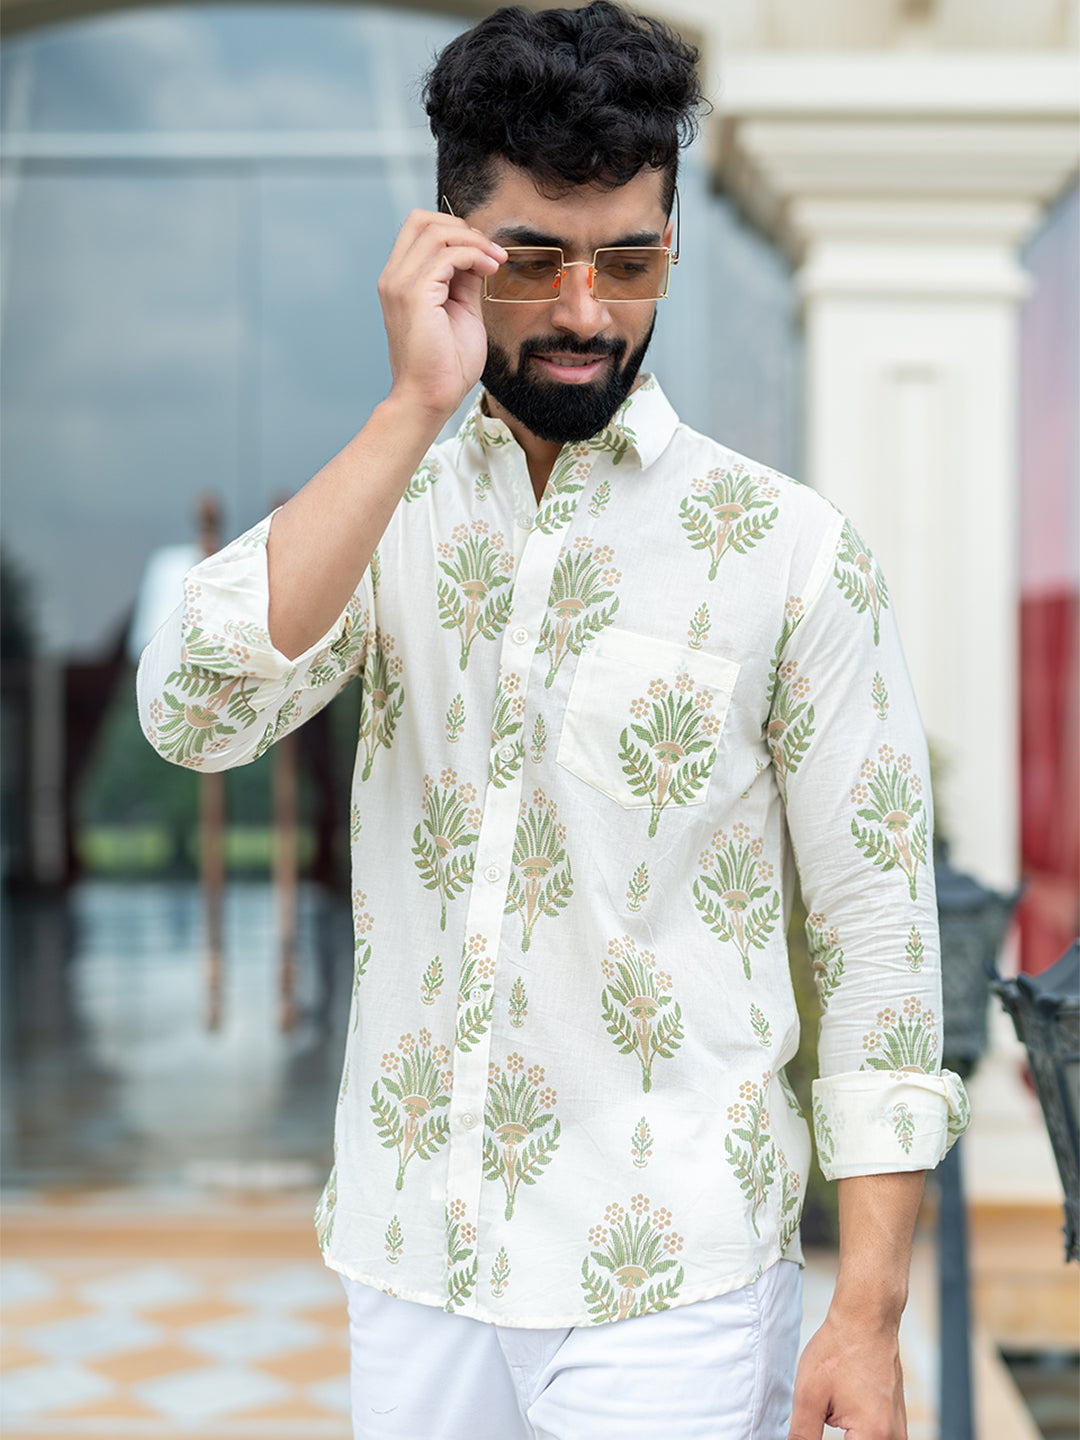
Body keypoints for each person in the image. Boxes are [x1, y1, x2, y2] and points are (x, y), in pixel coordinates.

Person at [137, 4, 969, 1436]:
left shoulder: (784, 549)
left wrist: (871, 1310)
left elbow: (878, 937)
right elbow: (191, 715)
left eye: (630, 261)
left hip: (674, 1277)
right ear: (453, 246)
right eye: (536, 260)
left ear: (670, 251)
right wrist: (411, 409)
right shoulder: (380, 517)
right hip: (415, 1256)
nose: (587, 311)